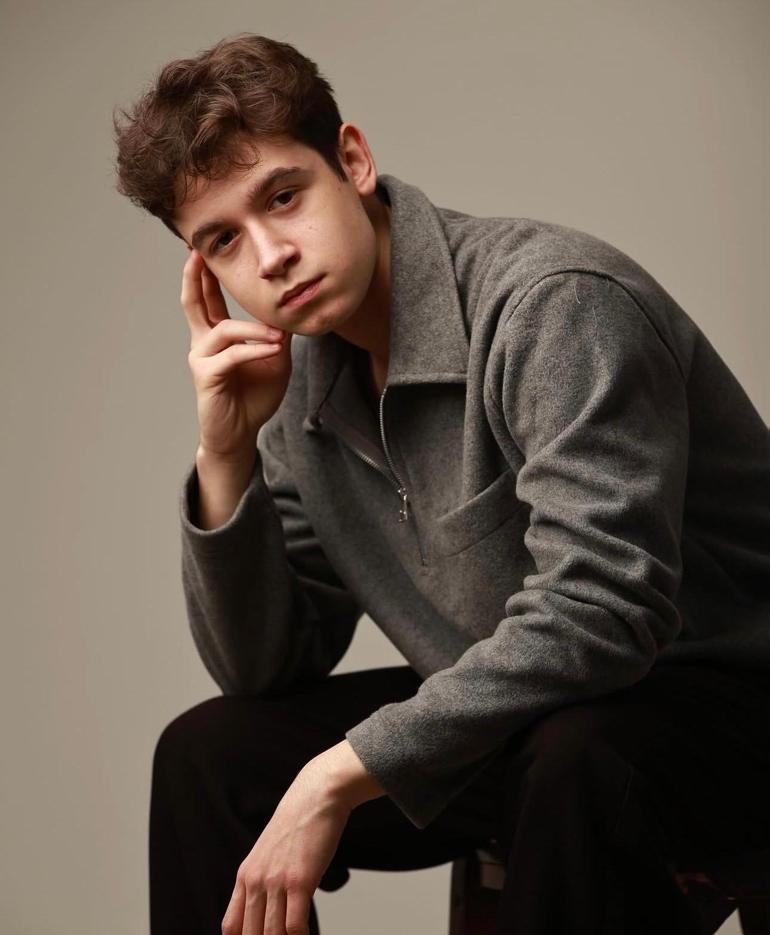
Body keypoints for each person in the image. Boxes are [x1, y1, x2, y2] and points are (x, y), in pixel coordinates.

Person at [112, 31, 770, 935]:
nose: (270, 256)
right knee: (208, 756)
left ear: (353, 160)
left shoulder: (552, 304)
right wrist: (226, 453)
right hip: (537, 720)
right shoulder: (300, 383)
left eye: (283, 197)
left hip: (722, 709)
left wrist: (338, 773)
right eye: (224, 239)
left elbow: (605, 611)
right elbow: (264, 667)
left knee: (577, 753)